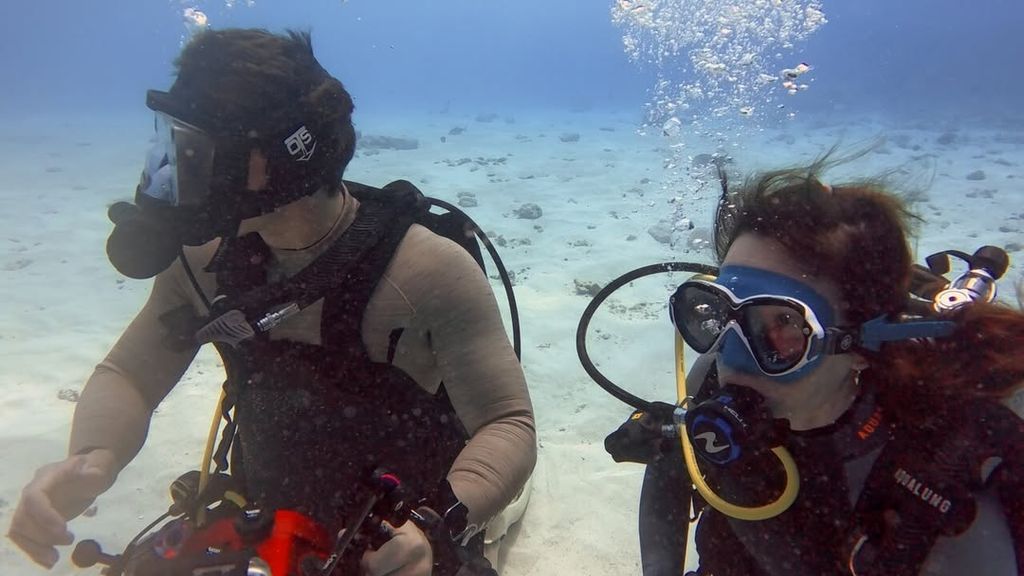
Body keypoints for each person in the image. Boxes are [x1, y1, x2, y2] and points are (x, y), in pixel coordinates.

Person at [7, 28, 536, 576]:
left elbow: (507, 422)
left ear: (286, 156)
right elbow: (130, 373)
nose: (172, 169)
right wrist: (93, 457)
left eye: (197, 149)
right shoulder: (201, 257)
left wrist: (433, 525)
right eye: (171, 140)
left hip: (407, 528)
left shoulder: (425, 269)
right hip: (263, 510)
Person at [615, 156, 1024, 575]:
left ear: (863, 344)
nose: (730, 355)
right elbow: (676, 462)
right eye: (719, 313)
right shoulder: (711, 379)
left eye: (785, 323)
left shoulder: (948, 473)